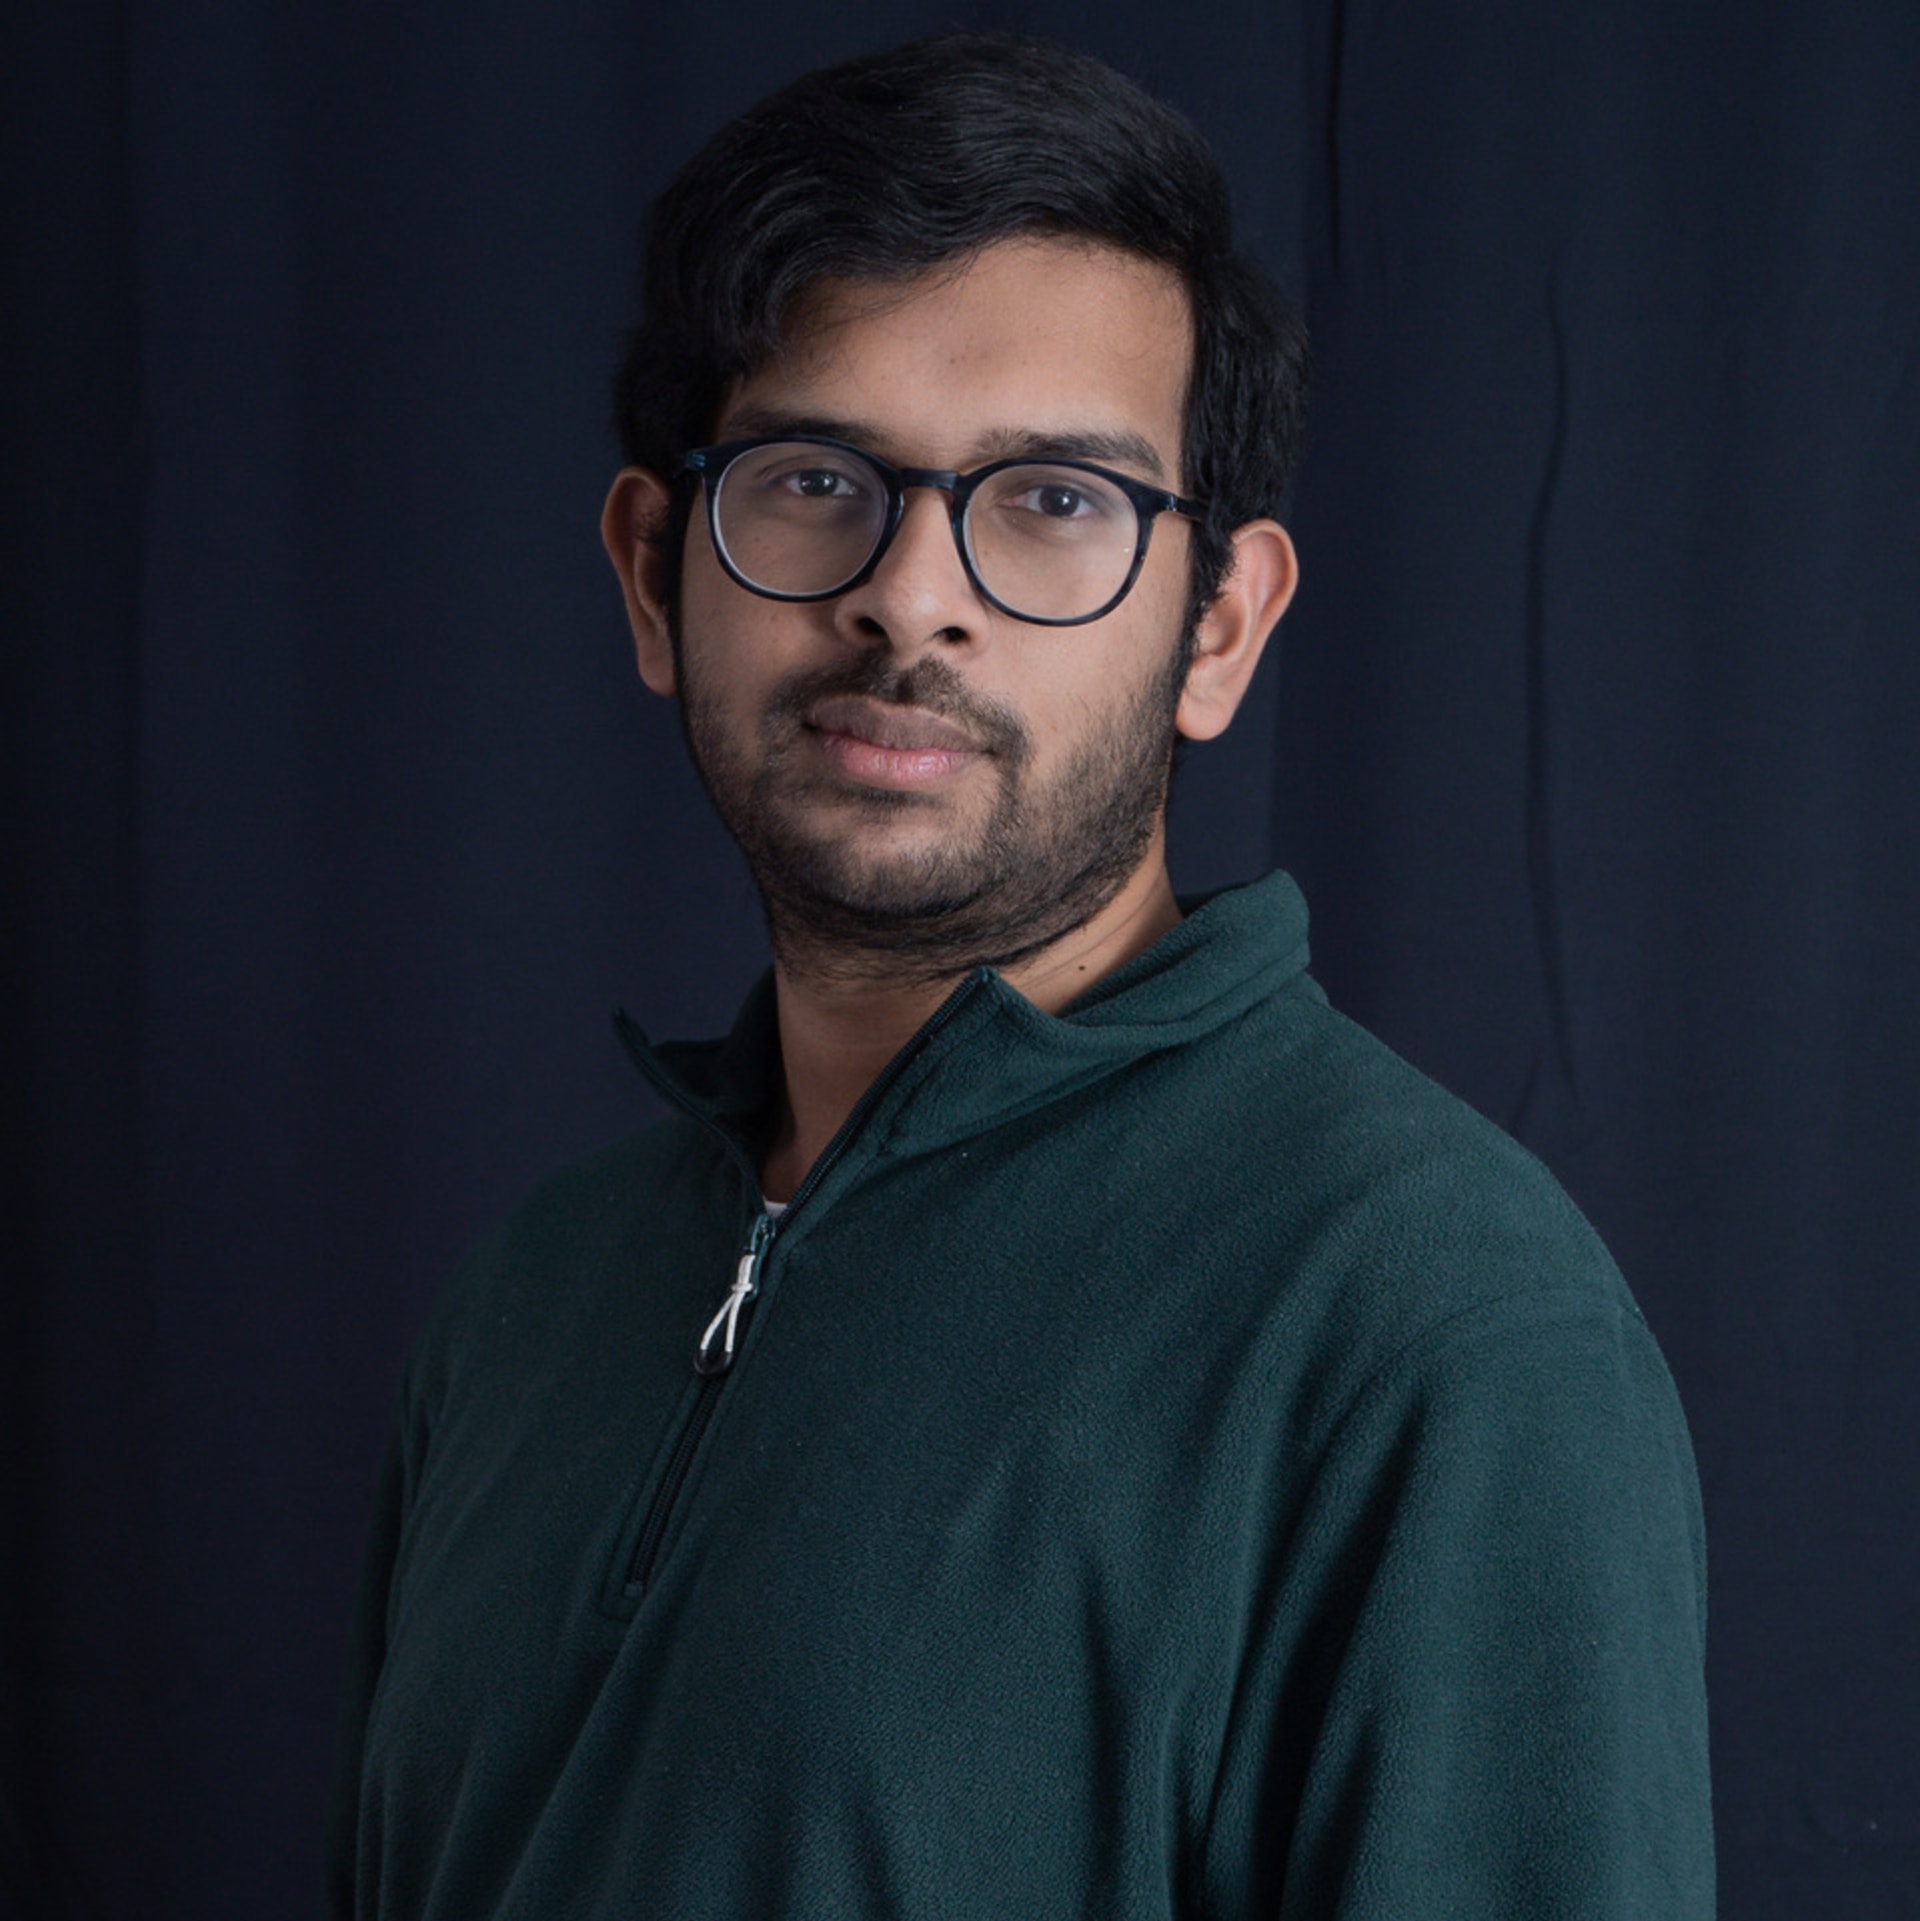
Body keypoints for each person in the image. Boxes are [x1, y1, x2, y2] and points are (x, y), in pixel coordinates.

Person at [327, 33, 1713, 1919]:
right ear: (658, 576)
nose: (912, 593)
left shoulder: (1436, 1331)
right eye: (816, 476)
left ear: (1218, 628)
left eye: (1055, 499)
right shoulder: (530, 1303)